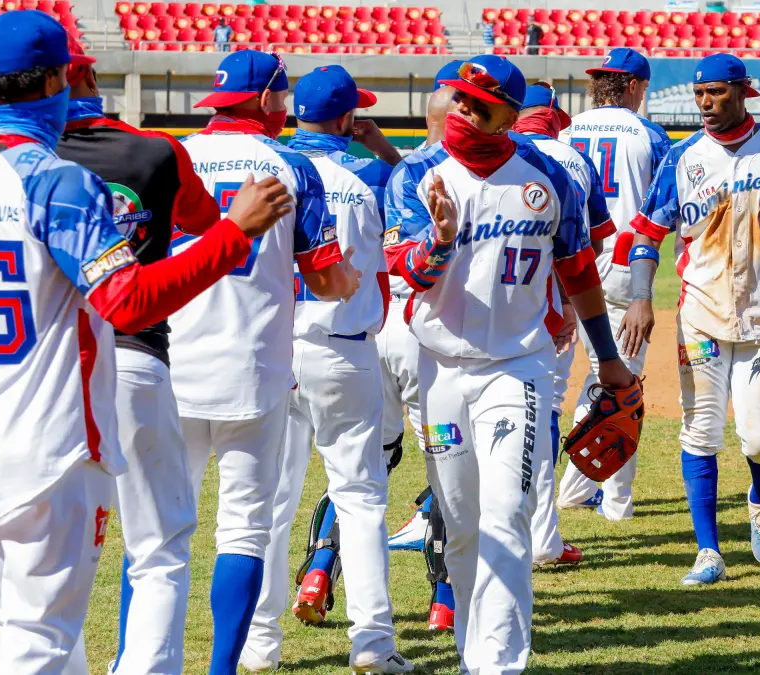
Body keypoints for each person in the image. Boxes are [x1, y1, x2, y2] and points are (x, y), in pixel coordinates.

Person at [0, 11, 287, 672]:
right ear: (57, 79)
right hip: (49, 448)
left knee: (42, 635)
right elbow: (128, 301)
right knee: (37, 646)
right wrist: (233, 234)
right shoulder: (56, 183)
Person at [386, 54, 637, 673]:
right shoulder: (415, 173)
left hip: (517, 367)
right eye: (457, 97)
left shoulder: (549, 176)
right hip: (440, 368)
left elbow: (579, 271)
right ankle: (474, 650)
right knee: (461, 521)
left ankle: (499, 664)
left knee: (506, 514)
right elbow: (409, 273)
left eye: (478, 103)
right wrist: (440, 240)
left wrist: (607, 359)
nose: (462, 110)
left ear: (508, 113)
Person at [168, 50, 361, 675]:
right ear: (270, 101)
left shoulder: (173, 155)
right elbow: (326, 280)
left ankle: (140, 661)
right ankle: (223, 667)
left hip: (169, 363)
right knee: (245, 528)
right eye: (281, 98)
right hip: (253, 369)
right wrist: (350, 278)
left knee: (156, 537)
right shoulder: (293, 167)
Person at [630, 53, 760, 586]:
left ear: (744, 93)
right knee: (699, 431)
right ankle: (708, 551)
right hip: (700, 312)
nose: (705, 103)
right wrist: (639, 297)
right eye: (700, 94)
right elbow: (648, 235)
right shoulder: (681, 157)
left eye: (717, 93)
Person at [55, 37, 224, 675]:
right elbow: (206, 223)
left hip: (46, 369)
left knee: (58, 550)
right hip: (135, 355)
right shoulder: (156, 150)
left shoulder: (21, 160)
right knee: (158, 547)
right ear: (89, 74)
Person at [240, 65, 412, 675]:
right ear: (347, 119)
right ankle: (372, 643)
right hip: (343, 345)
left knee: (269, 502)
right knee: (361, 498)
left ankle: (259, 642)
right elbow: (384, 273)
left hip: (274, 347)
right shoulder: (369, 178)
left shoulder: (272, 168)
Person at [556, 47, 671, 521]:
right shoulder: (650, 135)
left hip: (572, 263)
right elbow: (663, 205)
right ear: (634, 86)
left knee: (590, 375)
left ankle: (578, 488)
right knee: (623, 385)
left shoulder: (565, 131)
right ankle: (612, 499)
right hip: (624, 263)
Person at [511, 81, 616, 567]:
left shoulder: (492, 151)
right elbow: (587, 246)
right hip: (548, 305)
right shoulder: (571, 160)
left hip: (481, 308)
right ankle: (542, 537)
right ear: (554, 117)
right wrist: (569, 304)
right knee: (543, 413)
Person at [380, 59, 461, 632]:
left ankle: (321, 567)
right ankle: (445, 599)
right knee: (448, 467)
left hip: (375, 329)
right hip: (434, 332)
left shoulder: (401, 171)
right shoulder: (475, 171)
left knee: (364, 468)